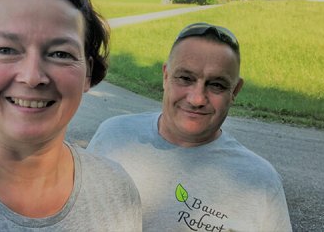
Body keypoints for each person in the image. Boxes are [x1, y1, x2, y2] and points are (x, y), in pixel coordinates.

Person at [0, 0, 141, 231]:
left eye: (60, 53)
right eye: (5, 49)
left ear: (87, 73)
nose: (32, 76)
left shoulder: (116, 190)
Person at [87, 22, 292, 231]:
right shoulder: (113, 136)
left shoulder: (260, 181)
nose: (197, 99)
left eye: (217, 85)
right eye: (185, 78)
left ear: (235, 91)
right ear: (166, 76)